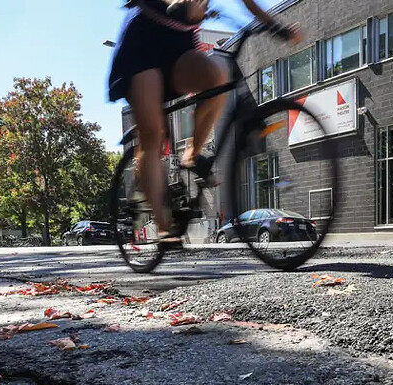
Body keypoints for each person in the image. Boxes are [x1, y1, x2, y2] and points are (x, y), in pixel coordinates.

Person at [108, 0, 299, 241]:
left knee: (217, 79)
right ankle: (164, 226)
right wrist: (179, 4)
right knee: (152, 135)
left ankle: (192, 154)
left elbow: (249, 3)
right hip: (143, 43)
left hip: (178, 45)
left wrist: (277, 28)